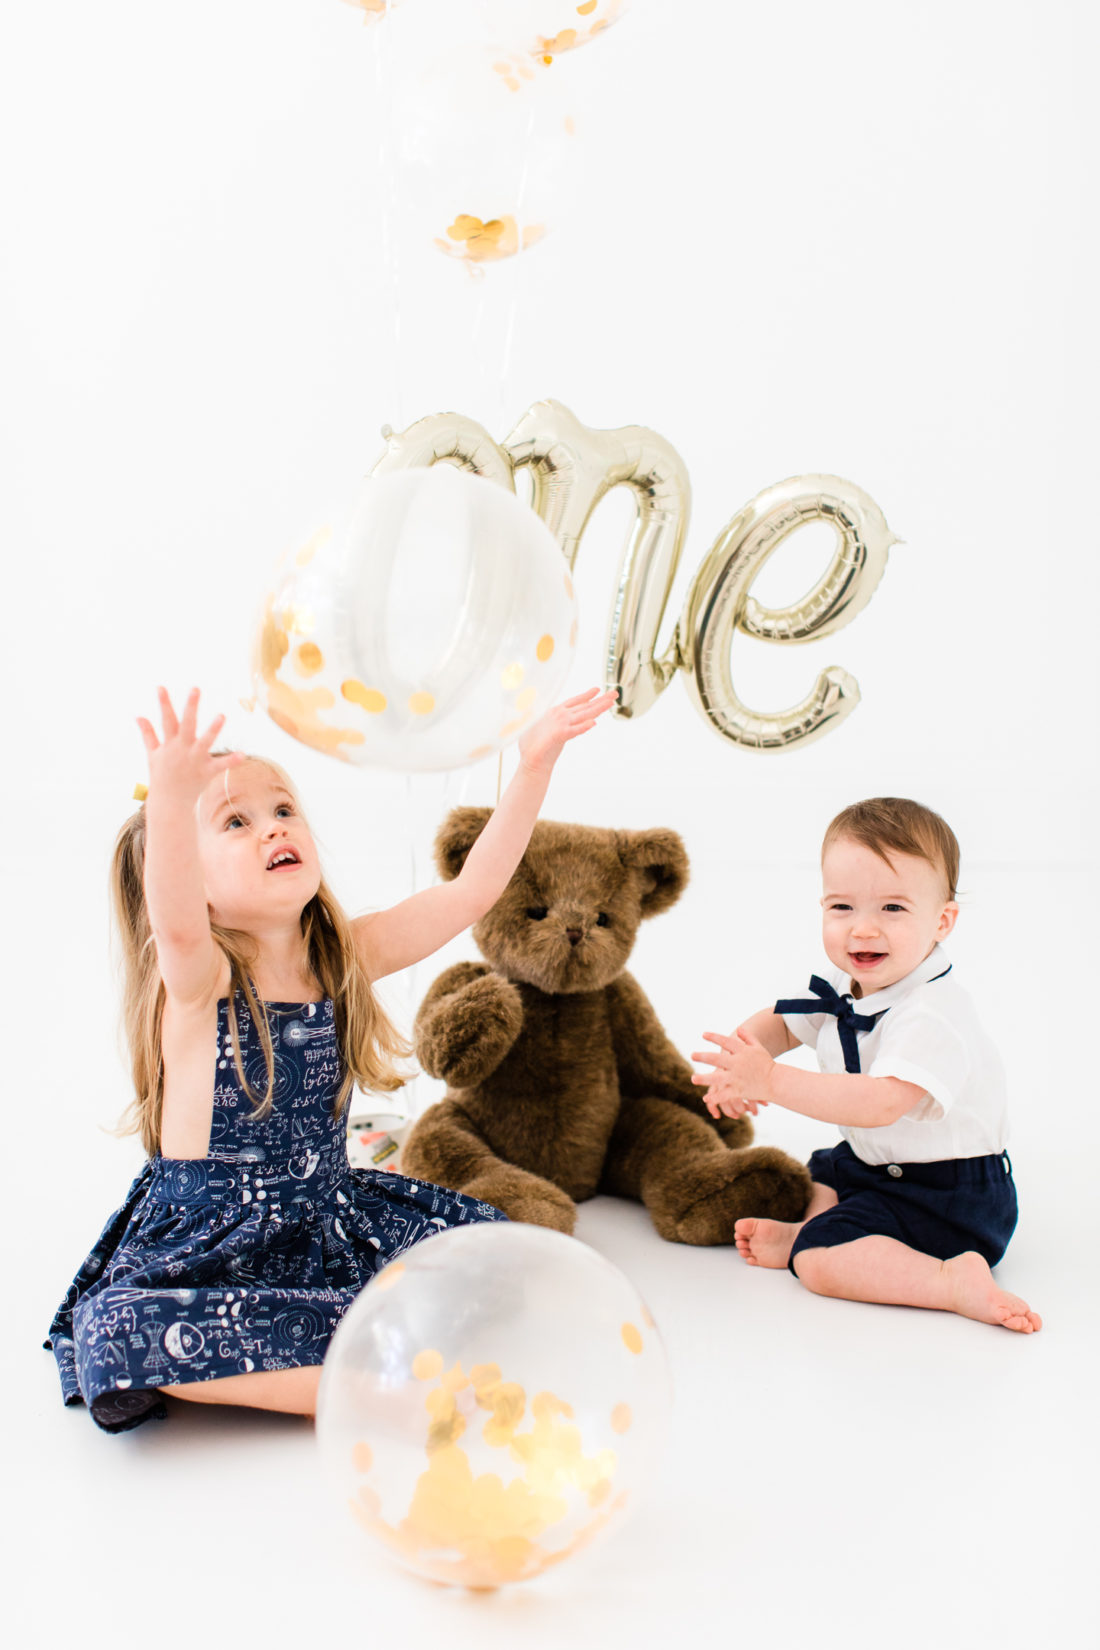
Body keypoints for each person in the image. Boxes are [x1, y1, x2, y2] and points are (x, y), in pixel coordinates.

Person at [46, 683, 617, 1431]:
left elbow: (474, 891)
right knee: (118, 1331)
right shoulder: (199, 981)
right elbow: (178, 923)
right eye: (235, 822)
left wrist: (533, 763)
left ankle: (339, 1349)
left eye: (282, 810)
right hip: (209, 1250)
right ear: (193, 875)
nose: (272, 829)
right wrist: (169, 804)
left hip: (323, 1219)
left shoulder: (344, 956)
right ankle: (377, 1392)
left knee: (490, 1255)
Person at [691, 797, 1041, 1334]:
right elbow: (782, 1025)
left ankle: (948, 1279)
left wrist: (773, 1081)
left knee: (820, 1265)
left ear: (942, 920)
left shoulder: (932, 1013)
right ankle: (806, 1230)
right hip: (874, 1166)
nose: (863, 930)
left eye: (893, 909)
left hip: (950, 1196)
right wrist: (743, 1063)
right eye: (842, 907)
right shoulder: (844, 986)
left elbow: (881, 1104)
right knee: (820, 1171)